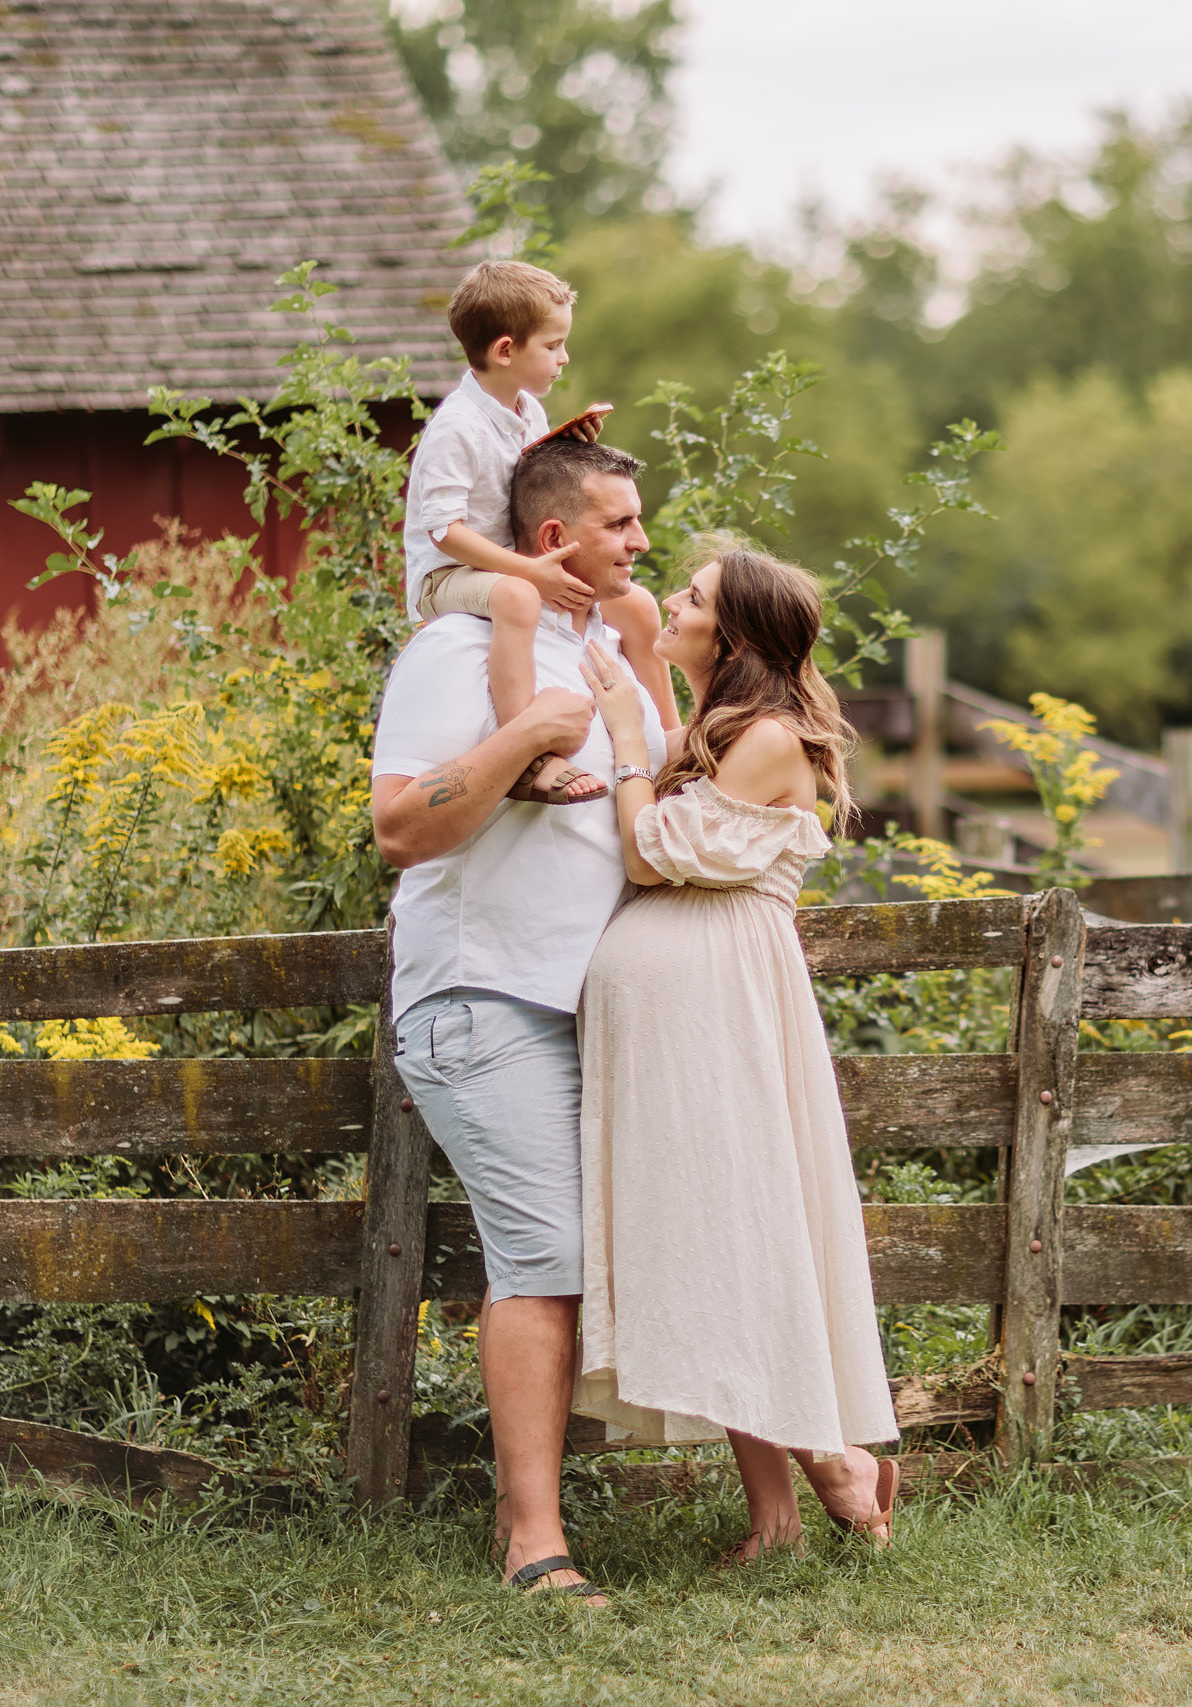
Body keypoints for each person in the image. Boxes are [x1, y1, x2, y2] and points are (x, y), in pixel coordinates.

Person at [368, 437, 668, 1602]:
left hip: (604, 1011)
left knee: (616, 1252)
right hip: (484, 997)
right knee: (543, 1263)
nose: (643, 543)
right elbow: (401, 828)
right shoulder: (456, 647)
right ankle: (532, 1543)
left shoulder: (604, 652)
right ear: (556, 540)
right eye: (622, 524)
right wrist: (525, 737)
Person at [572, 537, 902, 1562]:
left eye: (694, 595)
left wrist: (628, 731)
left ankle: (830, 1468)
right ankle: (784, 1512)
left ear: (739, 633)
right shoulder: (711, 729)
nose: (673, 598)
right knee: (712, 1246)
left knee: (743, 1234)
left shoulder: (767, 738)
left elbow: (648, 851)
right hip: (673, 1021)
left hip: (722, 1008)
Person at [401, 259, 674, 804]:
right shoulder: (455, 428)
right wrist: (526, 571)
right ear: (506, 351)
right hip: (450, 576)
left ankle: (670, 745)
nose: (564, 357)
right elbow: (444, 533)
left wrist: (568, 444)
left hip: (512, 560)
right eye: (553, 345)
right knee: (520, 599)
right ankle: (529, 752)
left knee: (636, 605)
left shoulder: (527, 409)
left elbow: (535, 480)